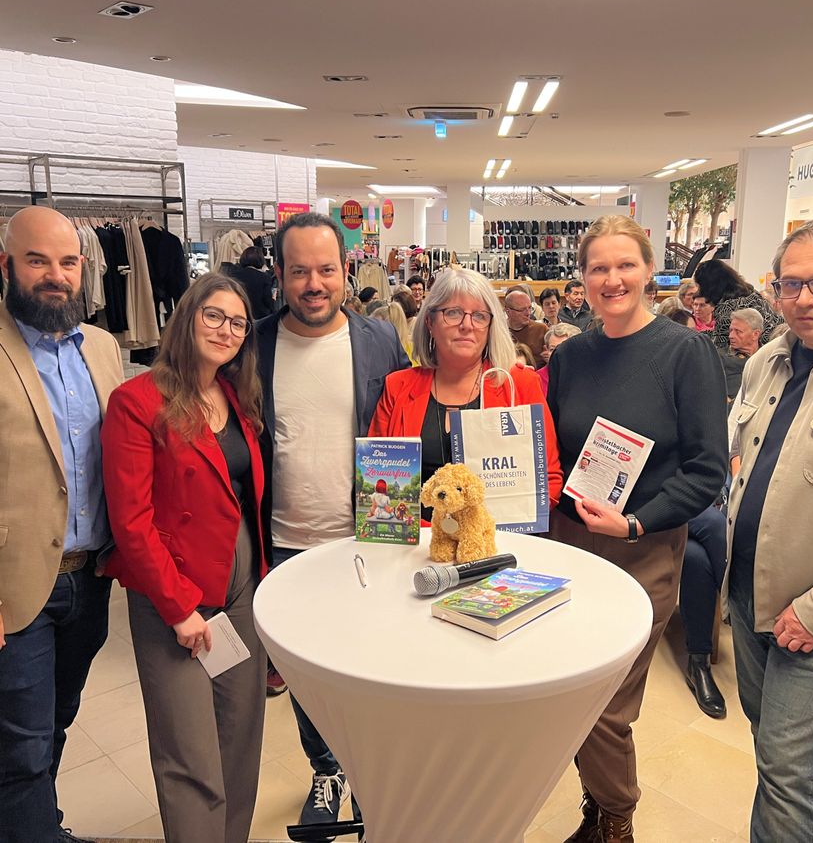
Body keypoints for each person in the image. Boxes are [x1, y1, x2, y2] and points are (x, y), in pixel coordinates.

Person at [547, 216, 728, 843]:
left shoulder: (685, 352)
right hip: (574, 548)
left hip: (644, 551)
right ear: (583, 277)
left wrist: (635, 521)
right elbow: (555, 452)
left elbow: (707, 469)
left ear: (650, 271)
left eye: (626, 265)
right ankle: (596, 810)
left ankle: (617, 817)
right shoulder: (569, 357)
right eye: (599, 267)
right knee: (569, 692)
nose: (613, 278)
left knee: (605, 708)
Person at [255, 211, 409, 829]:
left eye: (326, 269)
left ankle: (372, 775)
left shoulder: (378, 341)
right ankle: (327, 771)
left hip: (367, 541)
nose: (314, 284)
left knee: (371, 667)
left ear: (345, 270)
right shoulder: (255, 343)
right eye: (299, 272)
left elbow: (400, 426)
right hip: (284, 543)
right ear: (280, 276)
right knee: (305, 674)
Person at [101, 274, 266, 843]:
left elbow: (241, 496)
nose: (226, 330)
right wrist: (177, 607)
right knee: (189, 751)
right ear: (187, 318)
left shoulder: (235, 396)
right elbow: (131, 520)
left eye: (238, 322)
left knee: (240, 736)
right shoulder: (137, 401)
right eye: (214, 316)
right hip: (174, 596)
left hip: (240, 584)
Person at [723, 218, 813, 842]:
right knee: (777, 758)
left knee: (788, 774)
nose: (804, 299)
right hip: (750, 597)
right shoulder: (766, 363)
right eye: (789, 284)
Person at [0, 207, 124, 843]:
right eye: (38, 261)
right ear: (7, 266)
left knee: (55, 722)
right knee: (19, 750)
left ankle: (39, 824)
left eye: (68, 262)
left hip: (91, 579)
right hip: (17, 586)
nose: (55, 275)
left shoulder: (102, 349)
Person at [369, 267, 563, 521]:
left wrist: (510, 522)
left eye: (480, 316)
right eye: (453, 313)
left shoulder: (519, 384)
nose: (467, 325)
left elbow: (549, 478)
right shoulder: (398, 388)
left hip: (495, 546)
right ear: (430, 321)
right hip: (415, 549)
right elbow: (376, 481)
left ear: (491, 325)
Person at [680, 504, 728, 718]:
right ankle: (736, 609)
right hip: (661, 499)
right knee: (715, 524)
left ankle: (699, 663)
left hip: (713, 500)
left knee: (695, 558)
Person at [694, 258, 783, 350]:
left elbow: (721, 345)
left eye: (699, 286)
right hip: (777, 342)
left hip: (762, 351)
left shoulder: (727, 308)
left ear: (708, 286)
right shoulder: (751, 293)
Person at [719, 308, 763, 403]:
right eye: (731, 330)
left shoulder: (768, 357)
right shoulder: (718, 357)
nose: (731, 336)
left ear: (755, 334)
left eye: (738, 332)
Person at [504, 287, 549, 368]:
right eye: (522, 310)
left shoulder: (541, 330)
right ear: (508, 311)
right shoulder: (498, 332)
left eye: (529, 308)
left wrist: (549, 358)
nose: (528, 313)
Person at [230, 245, 275, 320]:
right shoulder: (264, 277)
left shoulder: (233, 275)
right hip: (259, 318)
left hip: (238, 315)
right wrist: (273, 299)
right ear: (260, 259)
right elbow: (268, 302)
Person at [537, 322, 581, 396]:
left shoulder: (588, 376)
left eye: (563, 349)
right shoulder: (537, 379)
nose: (557, 354)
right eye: (552, 349)